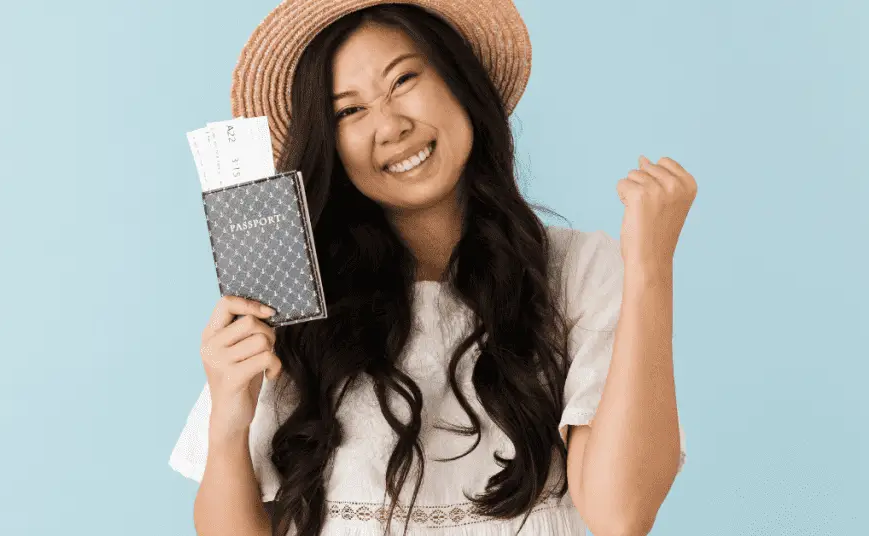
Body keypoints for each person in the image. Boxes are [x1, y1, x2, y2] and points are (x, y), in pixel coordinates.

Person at [169, 1, 696, 535]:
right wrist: (227, 420)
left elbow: (620, 515)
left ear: (460, 81)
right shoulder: (293, 297)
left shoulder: (577, 271)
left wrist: (650, 266)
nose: (392, 126)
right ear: (330, 143)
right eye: (349, 111)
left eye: (403, 80)